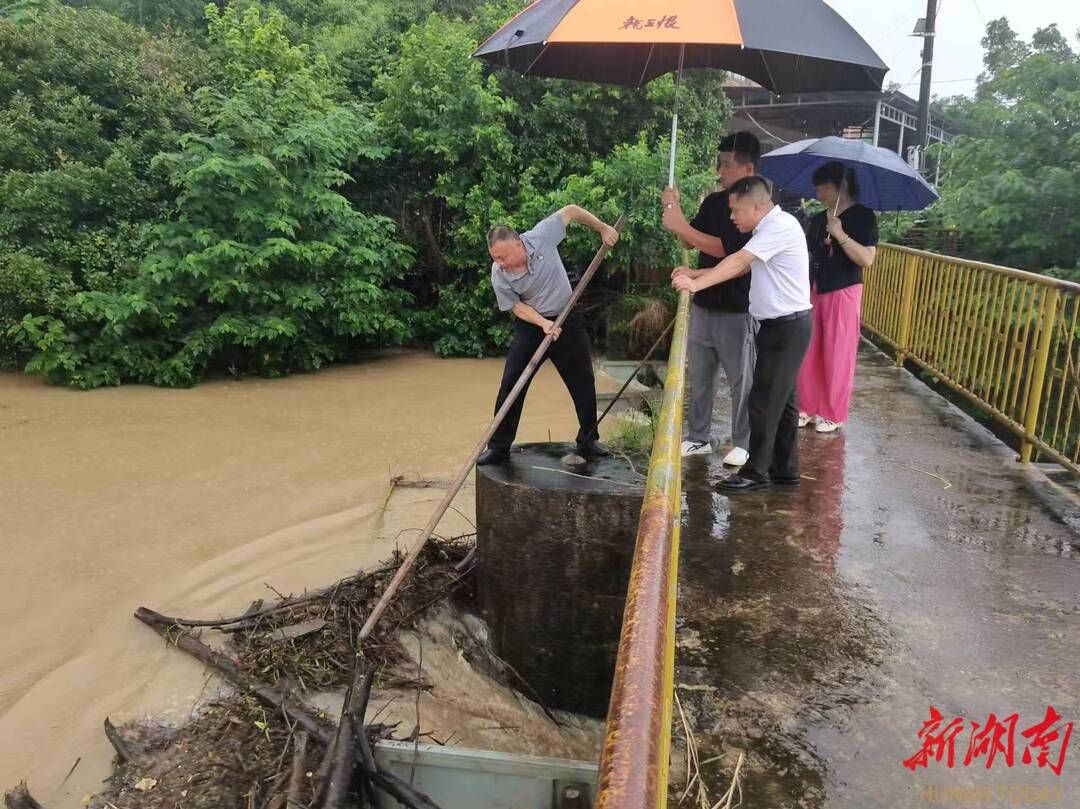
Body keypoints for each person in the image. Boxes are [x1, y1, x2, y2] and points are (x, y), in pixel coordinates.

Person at [672, 176, 811, 492]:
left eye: (736, 210)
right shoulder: (766, 230)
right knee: (785, 404)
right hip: (781, 327)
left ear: (758, 206)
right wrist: (695, 273)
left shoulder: (780, 227)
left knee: (761, 400)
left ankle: (755, 472)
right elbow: (743, 266)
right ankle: (785, 470)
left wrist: (695, 285)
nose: (731, 216)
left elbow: (738, 261)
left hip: (787, 328)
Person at [477, 206, 619, 466]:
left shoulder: (542, 235)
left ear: (519, 244)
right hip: (532, 326)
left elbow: (572, 211)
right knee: (511, 384)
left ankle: (588, 441)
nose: (499, 263)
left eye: (503, 257)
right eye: (495, 258)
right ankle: (498, 447)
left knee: (583, 382)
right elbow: (516, 306)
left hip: (568, 318)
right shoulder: (499, 273)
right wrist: (543, 323)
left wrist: (603, 228)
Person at [660, 131, 761, 466]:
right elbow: (692, 243)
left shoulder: (751, 209)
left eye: (727, 165)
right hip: (703, 302)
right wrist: (675, 213)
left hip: (737, 307)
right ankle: (698, 437)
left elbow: (728, 250)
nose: (721, 171)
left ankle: (744, 442)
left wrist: (682, 227)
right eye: (720, 164)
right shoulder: (714, 202)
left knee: (740, 380)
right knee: (699, 376)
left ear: (748, 168)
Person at [797, 162, 878, 433]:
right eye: (817, 187)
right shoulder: (820, 218)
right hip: (816, 288)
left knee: (838, 351)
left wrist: (840, 234)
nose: (819, 192)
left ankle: (833, 413)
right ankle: (807, 406)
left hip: (844, 290)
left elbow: (866, 259)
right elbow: (807, 253)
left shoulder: (863, 216)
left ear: (842, 186)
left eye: (825, 187)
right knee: (809, 349)